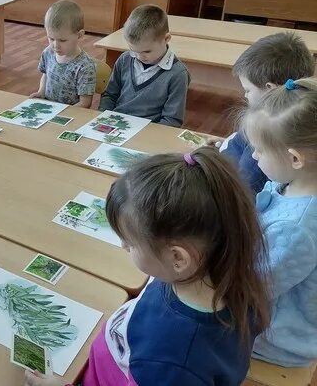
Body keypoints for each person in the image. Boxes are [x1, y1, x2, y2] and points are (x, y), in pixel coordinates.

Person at [24, 148, 270, 386]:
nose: (122, 246)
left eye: (130, 243)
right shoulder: (218, 273)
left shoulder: (170, 363)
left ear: (178, 258)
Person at [242, 77, 317, 367]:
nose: (253, 155)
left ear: (295, 158)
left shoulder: (296, 229)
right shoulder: (289, 181)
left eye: (259, 150)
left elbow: (253, 289)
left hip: (278, 340)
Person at [218, 32, 315, 193]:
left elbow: (240, 193)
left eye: (247, 90)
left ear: (269, 89)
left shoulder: (264, 151)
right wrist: (225, 143)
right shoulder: (267, 126)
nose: (245, 95)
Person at [99, 5, 190, 127]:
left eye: (147, 52)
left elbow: (172, 120)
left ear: (166, 38)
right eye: (133, 50)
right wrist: (101, 117)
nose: (139, 57)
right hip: (114, 124)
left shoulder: (178, 74)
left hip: (150, 132)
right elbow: (110, 95)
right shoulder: (125, 59)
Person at [31, 0, 96, 107]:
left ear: (79, 35)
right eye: (51, 38)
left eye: (62, 40)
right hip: (48, 110)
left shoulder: (85, 66)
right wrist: (41, 92)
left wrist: (61, 115)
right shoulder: (48, 52)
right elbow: (45, 74)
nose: (55, 45)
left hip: (70, 116)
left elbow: (85, 103)